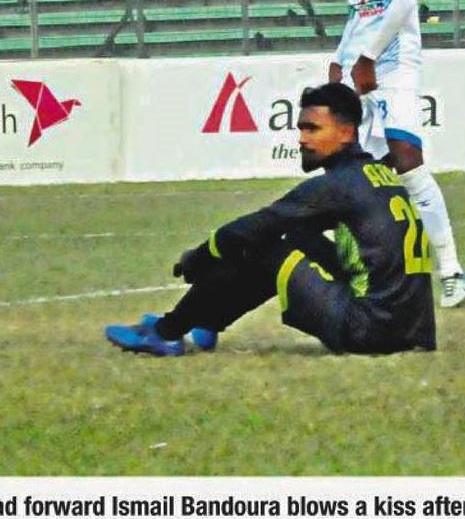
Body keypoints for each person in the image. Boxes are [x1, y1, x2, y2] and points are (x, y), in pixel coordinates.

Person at [104, 83, 435, 356]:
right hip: (409, 328)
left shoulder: (336, 186)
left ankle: (167, 332)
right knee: (296, 236)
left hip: (369, 330)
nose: (302, 139)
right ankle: (205, 321)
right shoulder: (376, 174)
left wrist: (200, 257)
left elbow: (253, 228)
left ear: (347, 133)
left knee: (265, 244)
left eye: (313, 129)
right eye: (300, 128)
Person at [316, 0, 465, 309]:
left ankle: (451, 270)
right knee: (358, 165)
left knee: (406, 157)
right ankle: (364, 268)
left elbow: (403, 2)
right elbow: (363, 8)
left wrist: (366, 58)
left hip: (394, 60)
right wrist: (341, 57)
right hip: (363, 61)